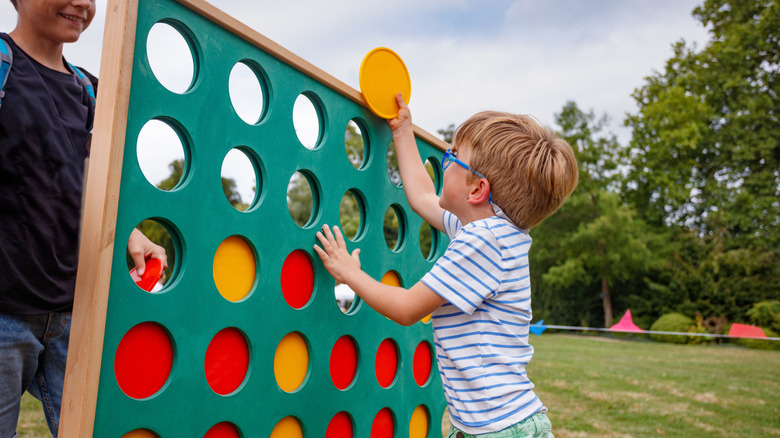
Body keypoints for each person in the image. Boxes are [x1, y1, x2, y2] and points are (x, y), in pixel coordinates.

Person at [314, 93, 578, 437]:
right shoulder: (492, 231)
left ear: (477, 190)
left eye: (454, 155)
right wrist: (402, 131)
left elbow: (407, 308)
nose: (444, 159)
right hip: (492, 424)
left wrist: (349, 273)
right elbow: (423, 197)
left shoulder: (483, 242)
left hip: (497, 429)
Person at [0, 1, 167, 437]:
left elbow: (90, 189)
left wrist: (131, 235)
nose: (83, 4)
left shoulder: (88, 89)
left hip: (74, 316)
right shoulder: (2, 67)